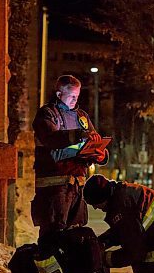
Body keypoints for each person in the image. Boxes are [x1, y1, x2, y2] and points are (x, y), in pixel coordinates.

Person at [31, 75, 108, 239]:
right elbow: (52, 140)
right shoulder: (47, 114)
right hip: (54, 189)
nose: (75, 100)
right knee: (53, 234)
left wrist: (100, 154)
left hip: (77, 186)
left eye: (77, 96)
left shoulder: (82, 117)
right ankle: (47, 265)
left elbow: (93, 139)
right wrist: (79, 136)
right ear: (59, 94)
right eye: (71, 96)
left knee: (75, 234)